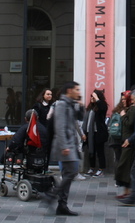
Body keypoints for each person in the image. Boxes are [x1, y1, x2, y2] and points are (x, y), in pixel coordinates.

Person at [44, 81, 84, 216]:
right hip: (65, 145)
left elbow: (80, 118)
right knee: (72, 172)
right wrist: (64, 145)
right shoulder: (61, 104)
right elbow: (59, 126)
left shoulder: (71, 104)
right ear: (69, 90)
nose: (79, 92)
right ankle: (52, 195)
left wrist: (81, 106)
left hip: (71, 144)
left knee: (69, 174)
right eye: (77, 90)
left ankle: (62, 205)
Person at [114, 91, 135, 199]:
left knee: (126, 167)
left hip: (129, 142)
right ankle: (131, 191)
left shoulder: (132, 110)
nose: (122, 101)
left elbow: (130, 124)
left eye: (124, 99)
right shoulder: (130, 109)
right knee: (127, 167)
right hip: (128, 141)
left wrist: (123, 116)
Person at [82, 89, 108, 177]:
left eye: (94, 96)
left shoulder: (101, 106)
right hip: (90, 133)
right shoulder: (90, 108)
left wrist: (97, 99)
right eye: (91, 96)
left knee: (100, 152)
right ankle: (91, 168)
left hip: (99, 133)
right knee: (91, 151)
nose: (92, 98)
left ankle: (101, 169)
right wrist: (84, 132)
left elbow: (103, 108)